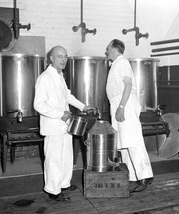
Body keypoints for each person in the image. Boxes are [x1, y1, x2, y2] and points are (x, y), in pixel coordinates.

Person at [34, 45, 95, 202]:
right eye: (59, 56)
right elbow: (39, 104)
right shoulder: (45, 78)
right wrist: (60, 114)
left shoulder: (59, 76)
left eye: (65, 56)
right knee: (54, 159)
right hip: (53, 125)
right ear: (51, 58)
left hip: (65, 125)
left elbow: (67, 96)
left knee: (66, 156)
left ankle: (63, 184)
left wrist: (83, 106)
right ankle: (53, 190)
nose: (63, 60)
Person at [105, 39, 154, 192]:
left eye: (108, 48)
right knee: (124, 143)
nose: (106, 51)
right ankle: (132, 176)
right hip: (118, 104)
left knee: (132, 140)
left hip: (123, 103)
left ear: (114, 49)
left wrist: (121, 107)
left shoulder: (122, 62)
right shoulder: (116, 64)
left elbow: (128, 85)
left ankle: (145, 176)